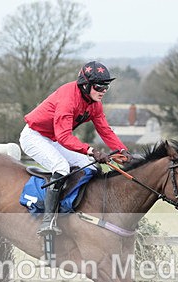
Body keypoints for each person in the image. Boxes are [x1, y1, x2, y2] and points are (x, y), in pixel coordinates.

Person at [20, 61, 131, 235]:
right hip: (34, 136)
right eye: (99, 87)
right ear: (85, 85)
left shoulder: (94, 103)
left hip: (53, 138)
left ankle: (80, 209)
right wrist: (92, 151)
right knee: (61, 167)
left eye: (106, 87)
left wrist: (123, 151)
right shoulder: (68, 99)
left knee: (93, 167)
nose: (103, 91)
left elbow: (105, 130)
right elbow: (64, 137)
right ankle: (48, 220)